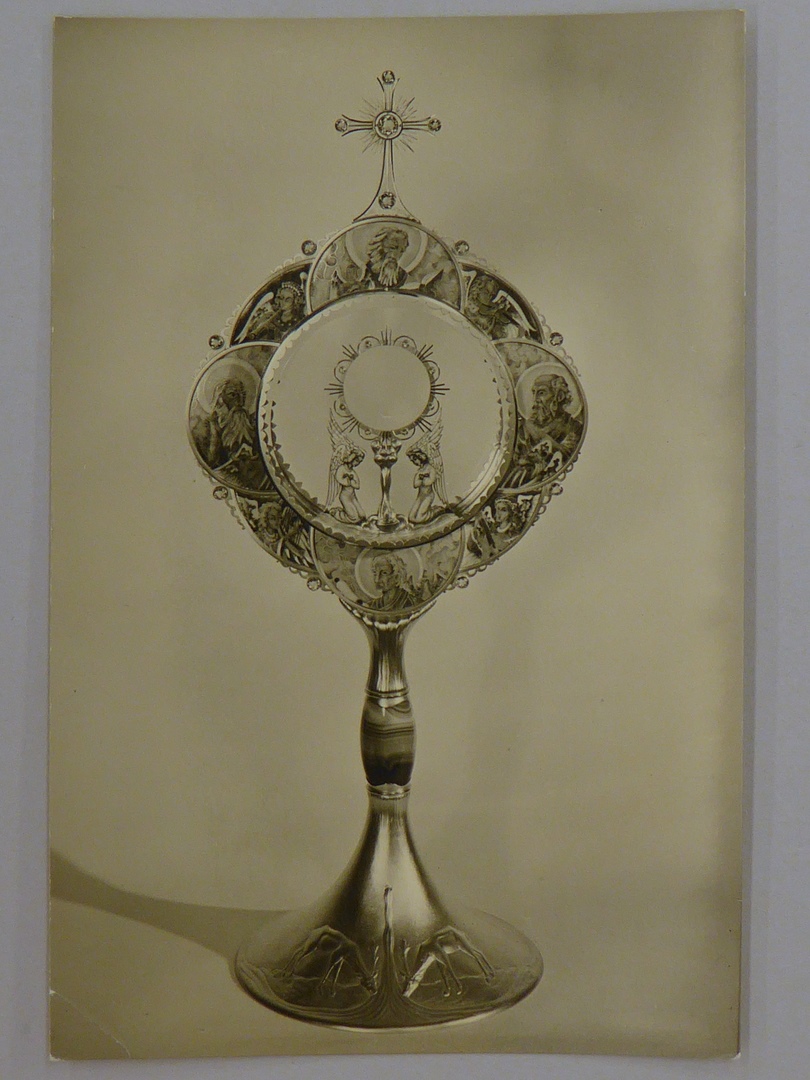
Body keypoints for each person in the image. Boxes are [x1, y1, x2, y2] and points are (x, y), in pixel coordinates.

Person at [191, 376, 271, 491]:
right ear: (220, 399)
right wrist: (215, 433)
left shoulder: (252, 421)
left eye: (242, 395)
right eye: (232, 395)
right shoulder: (208, 426)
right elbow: (210, 463)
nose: (240, 401)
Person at [505, 371, 582, 489]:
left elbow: (566, 456)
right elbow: (512, 460)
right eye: (534, 393)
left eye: (541, 393)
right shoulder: (523, 428)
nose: (535, 399)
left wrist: (536, 433)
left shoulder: (573, 427)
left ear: (559, 396)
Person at [241, 281, 305, 342]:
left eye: (288, 299)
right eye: (281, 298)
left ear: (296, 301)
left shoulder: (301, 321)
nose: (283, 302)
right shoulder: (267, 318)